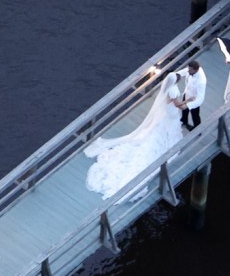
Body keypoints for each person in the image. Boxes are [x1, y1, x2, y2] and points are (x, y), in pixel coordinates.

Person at [85, 72, 183, 200]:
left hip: (163, 114)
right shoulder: (174, 90)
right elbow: (175, 103)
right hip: (168, 114)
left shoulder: (167, 88)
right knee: (160, 135)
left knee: (156, 132)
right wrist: (187, 102)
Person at [177, 60, 207, 130]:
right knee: (184, 111)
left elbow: (200, 99)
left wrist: (188, 105)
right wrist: (174, 75)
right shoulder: (190, 70)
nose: (188, 71)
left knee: (195, 115)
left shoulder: (201, 81)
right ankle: (184, 120)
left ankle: (197, 129)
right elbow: (183, 72)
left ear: (195, 70)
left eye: (190, 70)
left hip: (194, 100)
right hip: (187, 93)